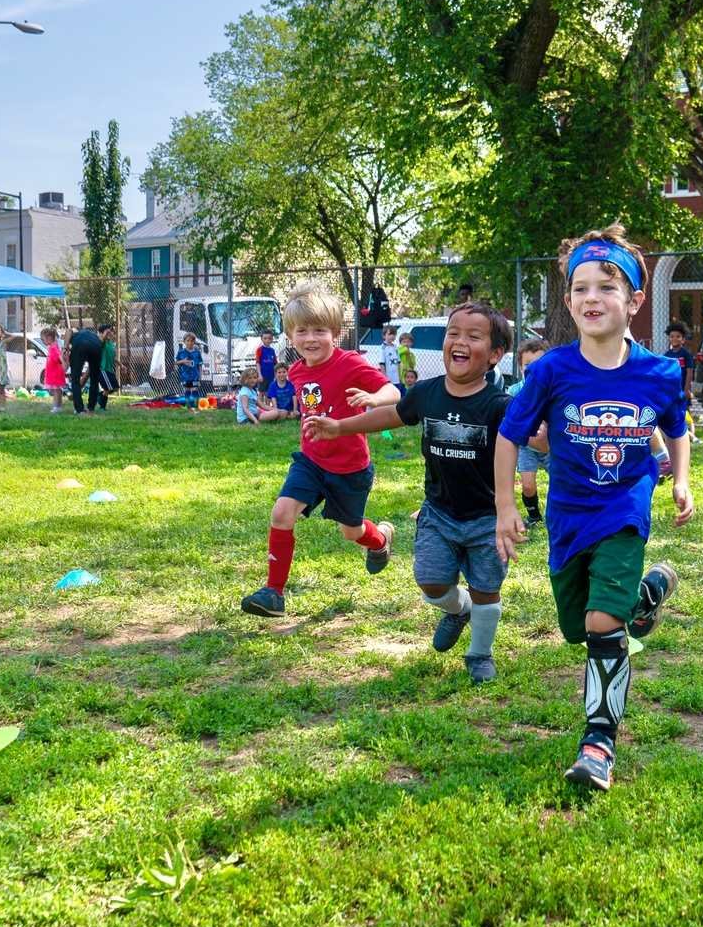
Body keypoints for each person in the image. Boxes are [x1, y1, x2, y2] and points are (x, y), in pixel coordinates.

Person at [494, 223, 691, 792]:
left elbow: (677, 427)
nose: (592, 299)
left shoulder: (659, 372)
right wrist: (507, 506)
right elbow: (510, 435)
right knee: (578, 625)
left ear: (634, 300)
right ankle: (647, 596)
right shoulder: (551, 370)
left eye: (606, 288)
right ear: (568, 300)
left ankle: (598, 743)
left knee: (602, 625)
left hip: (625, 510)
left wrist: (681, 479)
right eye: (581, 288)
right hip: (568, 515)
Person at [329, 302, 515, 683]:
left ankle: (480, 654)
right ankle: (458, 609)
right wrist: (340, 427)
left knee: (486, 590)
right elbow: (392, 414)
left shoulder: (499, 406)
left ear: (495, 355)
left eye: (473, 336)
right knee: (431, 583)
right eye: (454, 333)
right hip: (439, 513)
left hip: (488, 520)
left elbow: (533, 440)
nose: (459, 342)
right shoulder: (427, 393)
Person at [240, 283, 399, 618]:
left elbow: (392, 392)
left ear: (336, 333)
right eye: (302, 331)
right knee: (282, 513)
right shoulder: (296, 371)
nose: (310, 338)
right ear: (290, 335)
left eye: (319, 330)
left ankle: (381, 539)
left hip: (350, 466)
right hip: (311, 460)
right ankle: (273, 593)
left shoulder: (350, 363)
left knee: (350, 532)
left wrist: (373, 399)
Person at [507, 338, 551, 528]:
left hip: (552, 447)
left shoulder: (555, 389)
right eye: (528, 365)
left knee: (562, 482)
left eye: (539, 364)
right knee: (527, 485)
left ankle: (560, 516)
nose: (533, 369)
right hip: (527, 446)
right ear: (520, 366)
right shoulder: (515, 391)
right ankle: (534, 516)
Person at [67, 324, 107, 415]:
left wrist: (65, 348)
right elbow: (90, 371)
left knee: (75, 379)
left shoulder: (75, 334)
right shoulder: (94, 336)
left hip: (80, 346)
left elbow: (68, 331)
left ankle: (80, 409)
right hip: (96, 347)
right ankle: (91, 408)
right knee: (94, 380)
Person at [663, 322, 696, 412]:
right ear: (669, 338)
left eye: (678, 336)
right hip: (671, 388)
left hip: (682, 387)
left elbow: (689, 372)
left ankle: (688, 426)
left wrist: (686, 389)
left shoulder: (686, 354)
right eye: (672, 336)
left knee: (684, 411)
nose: (674, 339)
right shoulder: (667, 355)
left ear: (683, 339)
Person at [40, 325, 66, 414]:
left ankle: (57, 406)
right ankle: (57, 406)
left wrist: (63, 363)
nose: (43, 341)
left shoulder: (53, 347)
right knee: (57, 391)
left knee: (57, 391)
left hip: (56, 373)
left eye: (43, 339)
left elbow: (58, 359)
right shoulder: (52, 347)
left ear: (49, 338)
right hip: (54, 373)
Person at [174, 332, 203, 400]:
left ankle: (196, 405)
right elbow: (176, 363)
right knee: (187, 390)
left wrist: (200, 376)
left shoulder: (197, 353)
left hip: (195, 376)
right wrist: (183, 361)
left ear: (194, 342)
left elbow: (200, 365)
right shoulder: (181, 352)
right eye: (188, 340)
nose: (190, 342)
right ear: (184, 341)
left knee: (194, 390)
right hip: (185, 376)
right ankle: (188, 405)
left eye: (192, 341)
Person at [99, 324, 119, 406]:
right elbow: (102, 340)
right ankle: (102, 405)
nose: (110, 333)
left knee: (115, 387)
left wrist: (121, 365)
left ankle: (99, 396)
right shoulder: (101, 342)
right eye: (108, 332)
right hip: (102, 369)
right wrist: (105, 333)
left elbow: (112, 357)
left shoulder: (110, 343)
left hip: (109, 369)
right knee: (108, 388)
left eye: (110, 332)